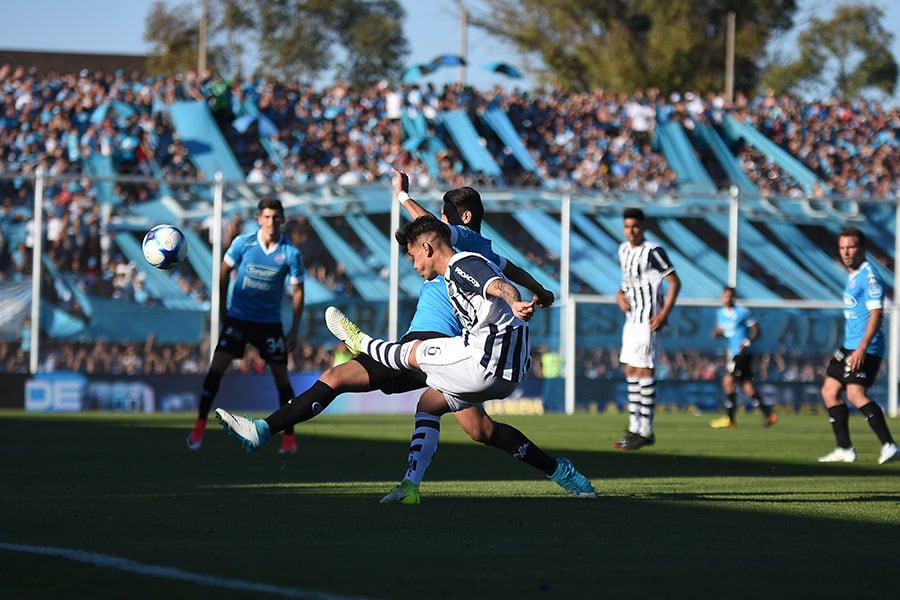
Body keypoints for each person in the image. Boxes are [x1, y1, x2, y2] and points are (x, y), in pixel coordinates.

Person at [216, 174, 593, 502]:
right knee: (477, 428)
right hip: (459, 359)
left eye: (443, 219)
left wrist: (401, 196)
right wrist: (539, 291)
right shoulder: (489, 251)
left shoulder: (456, 238)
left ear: (458, 219)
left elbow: (429, 227)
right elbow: (514, 271)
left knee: (337, 377)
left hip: (432, 345)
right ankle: (559, 472)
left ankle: (264, 428)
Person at [324, 215, 596, 502]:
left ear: (427, 248)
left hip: (485, 363)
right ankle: (558, 472)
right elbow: (505, 276)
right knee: (434, 406)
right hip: (507, 371)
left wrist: (514, 300)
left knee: (412, 353)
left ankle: (360, 341)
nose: (414, 265)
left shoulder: (461, 266)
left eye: (413, 255)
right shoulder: (467, 264)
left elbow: (499, 286)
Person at [187, 197, 304, 454]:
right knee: (217, 365)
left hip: (270, 322)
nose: (272, 222)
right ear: (259, 219)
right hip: (239, 318)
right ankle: (199, 425)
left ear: (282, 220)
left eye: (276, 217)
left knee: (281, 378)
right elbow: (222, 272)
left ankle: (289, 437)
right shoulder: (243, 243)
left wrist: (294, 329)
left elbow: (298, 291)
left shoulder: (291, 254)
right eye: (267, 217)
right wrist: (222, 311)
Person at [817, 227, 898, 465]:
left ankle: (889, 445)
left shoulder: (870, 276)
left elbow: (876, 314)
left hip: (866, 347)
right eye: (842, 248)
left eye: (851, 247)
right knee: (829, 391)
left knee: (855, 393)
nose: (846, 252)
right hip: (849, 345)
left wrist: (862, 348)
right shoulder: (853, 274)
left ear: (862, 248)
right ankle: (844, 448)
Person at [612, 207, 680, 450]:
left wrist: (664, 313)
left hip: (648, 320)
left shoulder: (653, 251)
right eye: (627, 226)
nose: (631, 231)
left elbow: (674, 281)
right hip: (631, 320)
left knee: (644, 370)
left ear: (644, 227)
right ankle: (634, 427)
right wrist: (619, 296)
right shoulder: (622, 250)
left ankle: (646, 429)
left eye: (636, 226)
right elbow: (626, 284)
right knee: (631, 368)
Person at [710, 286, 778, 429]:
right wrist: (718, 333)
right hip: (733, 353)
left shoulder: (742, 312)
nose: (727, 298)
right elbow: (725, 331)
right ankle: (769, 414)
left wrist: (747, 342)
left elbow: (757, 330)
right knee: (747, 385)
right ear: (722, 297)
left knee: (728, 381)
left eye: (730, 296)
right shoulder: (721, 313)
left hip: (742, 354)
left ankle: (730, 418)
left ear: (734, 297)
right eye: (725, 295)